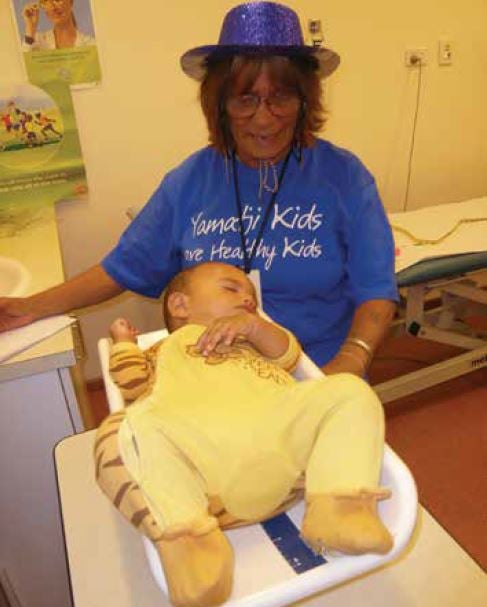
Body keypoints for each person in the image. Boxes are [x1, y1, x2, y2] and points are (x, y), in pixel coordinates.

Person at [1, 1, 398, 378]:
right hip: (215, 376)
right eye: (245, 99)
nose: (264, 117)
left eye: (280, 97)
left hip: (313, 370)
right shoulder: (189, 182)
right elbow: (121, 267)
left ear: (305, 101)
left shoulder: (345, 177)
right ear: (220, 105)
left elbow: (376, 289)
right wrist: (32, 307)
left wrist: (352, 359)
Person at [95, 261, 393, 607]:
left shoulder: (252, 343)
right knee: (124, 430)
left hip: (285, 456)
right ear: (180, 306)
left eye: (250, 296)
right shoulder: (160, 352)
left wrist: (253, 327)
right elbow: (130, 384)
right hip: (206, 473)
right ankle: (190, 541)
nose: (247, 298)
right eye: (231, 289)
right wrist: (123, 344)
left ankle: (338, 507)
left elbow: (289, 355)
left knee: (347, 390)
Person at [22, 0, 95, 51]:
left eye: (58, 0)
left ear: (71, 2)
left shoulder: (90, 44)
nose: (53, 8)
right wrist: (30, 29)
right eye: (46, 1)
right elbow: (22, 68)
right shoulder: (37, 43)